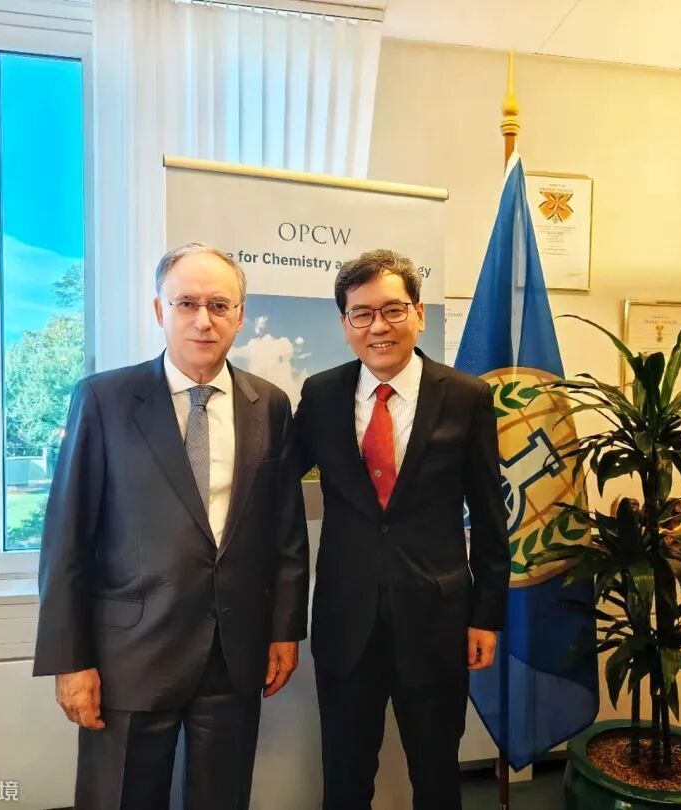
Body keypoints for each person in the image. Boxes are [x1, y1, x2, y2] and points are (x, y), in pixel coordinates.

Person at [33, 242, 309, 810]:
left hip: (233, 654)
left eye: (219, 304)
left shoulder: (269, 404)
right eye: (186, 303)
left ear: (240, 315)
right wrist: (70, 659)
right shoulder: (105, 399)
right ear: (160, 311)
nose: (203, 320)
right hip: (130, 655)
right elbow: (66, 539)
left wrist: (285, 629)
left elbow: (285, 531)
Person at [294, 249, 509, 810]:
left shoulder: (466, 396)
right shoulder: (320, 395)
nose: (378, 327)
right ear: (345, 324)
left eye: (392, 310)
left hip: (437, 621)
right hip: (346, 621)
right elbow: (271, 480)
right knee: (345, 777)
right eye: (361, 313)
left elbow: (491, 515)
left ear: (419, 314)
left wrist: (486, 615)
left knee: (436, 777)